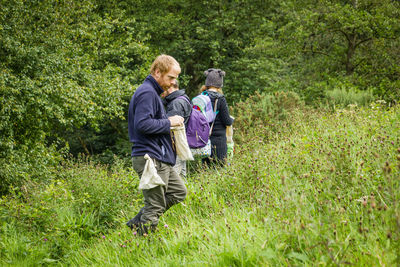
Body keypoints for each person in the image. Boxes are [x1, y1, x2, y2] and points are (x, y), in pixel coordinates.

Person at [126, 54, 187, 235]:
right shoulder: (146, 93)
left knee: (178, 192)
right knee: (155, 204)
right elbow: (142, 125)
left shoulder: (153, 93)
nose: (172, 83)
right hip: (149, 158)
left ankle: (137, 224)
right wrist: (170, 122)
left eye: (175, 78)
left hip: (160, 157)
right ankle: (145, 245)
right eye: (170, 77)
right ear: (157, 72)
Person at [201, 68, 234, 166]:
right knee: (219, 168)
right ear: (219, 84)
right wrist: (231, 119)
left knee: (206, 168)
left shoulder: (201, 97)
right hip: (218, 140)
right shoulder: (220, 99)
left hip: (204, 139)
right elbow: (227, 121)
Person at [163, 81, 192, 178]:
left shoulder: (176, 103)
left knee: (175, 176)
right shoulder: (183, 98)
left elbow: (172, 127)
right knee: (182, 176)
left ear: (169, 87)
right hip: (181, 143)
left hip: (176, 144)